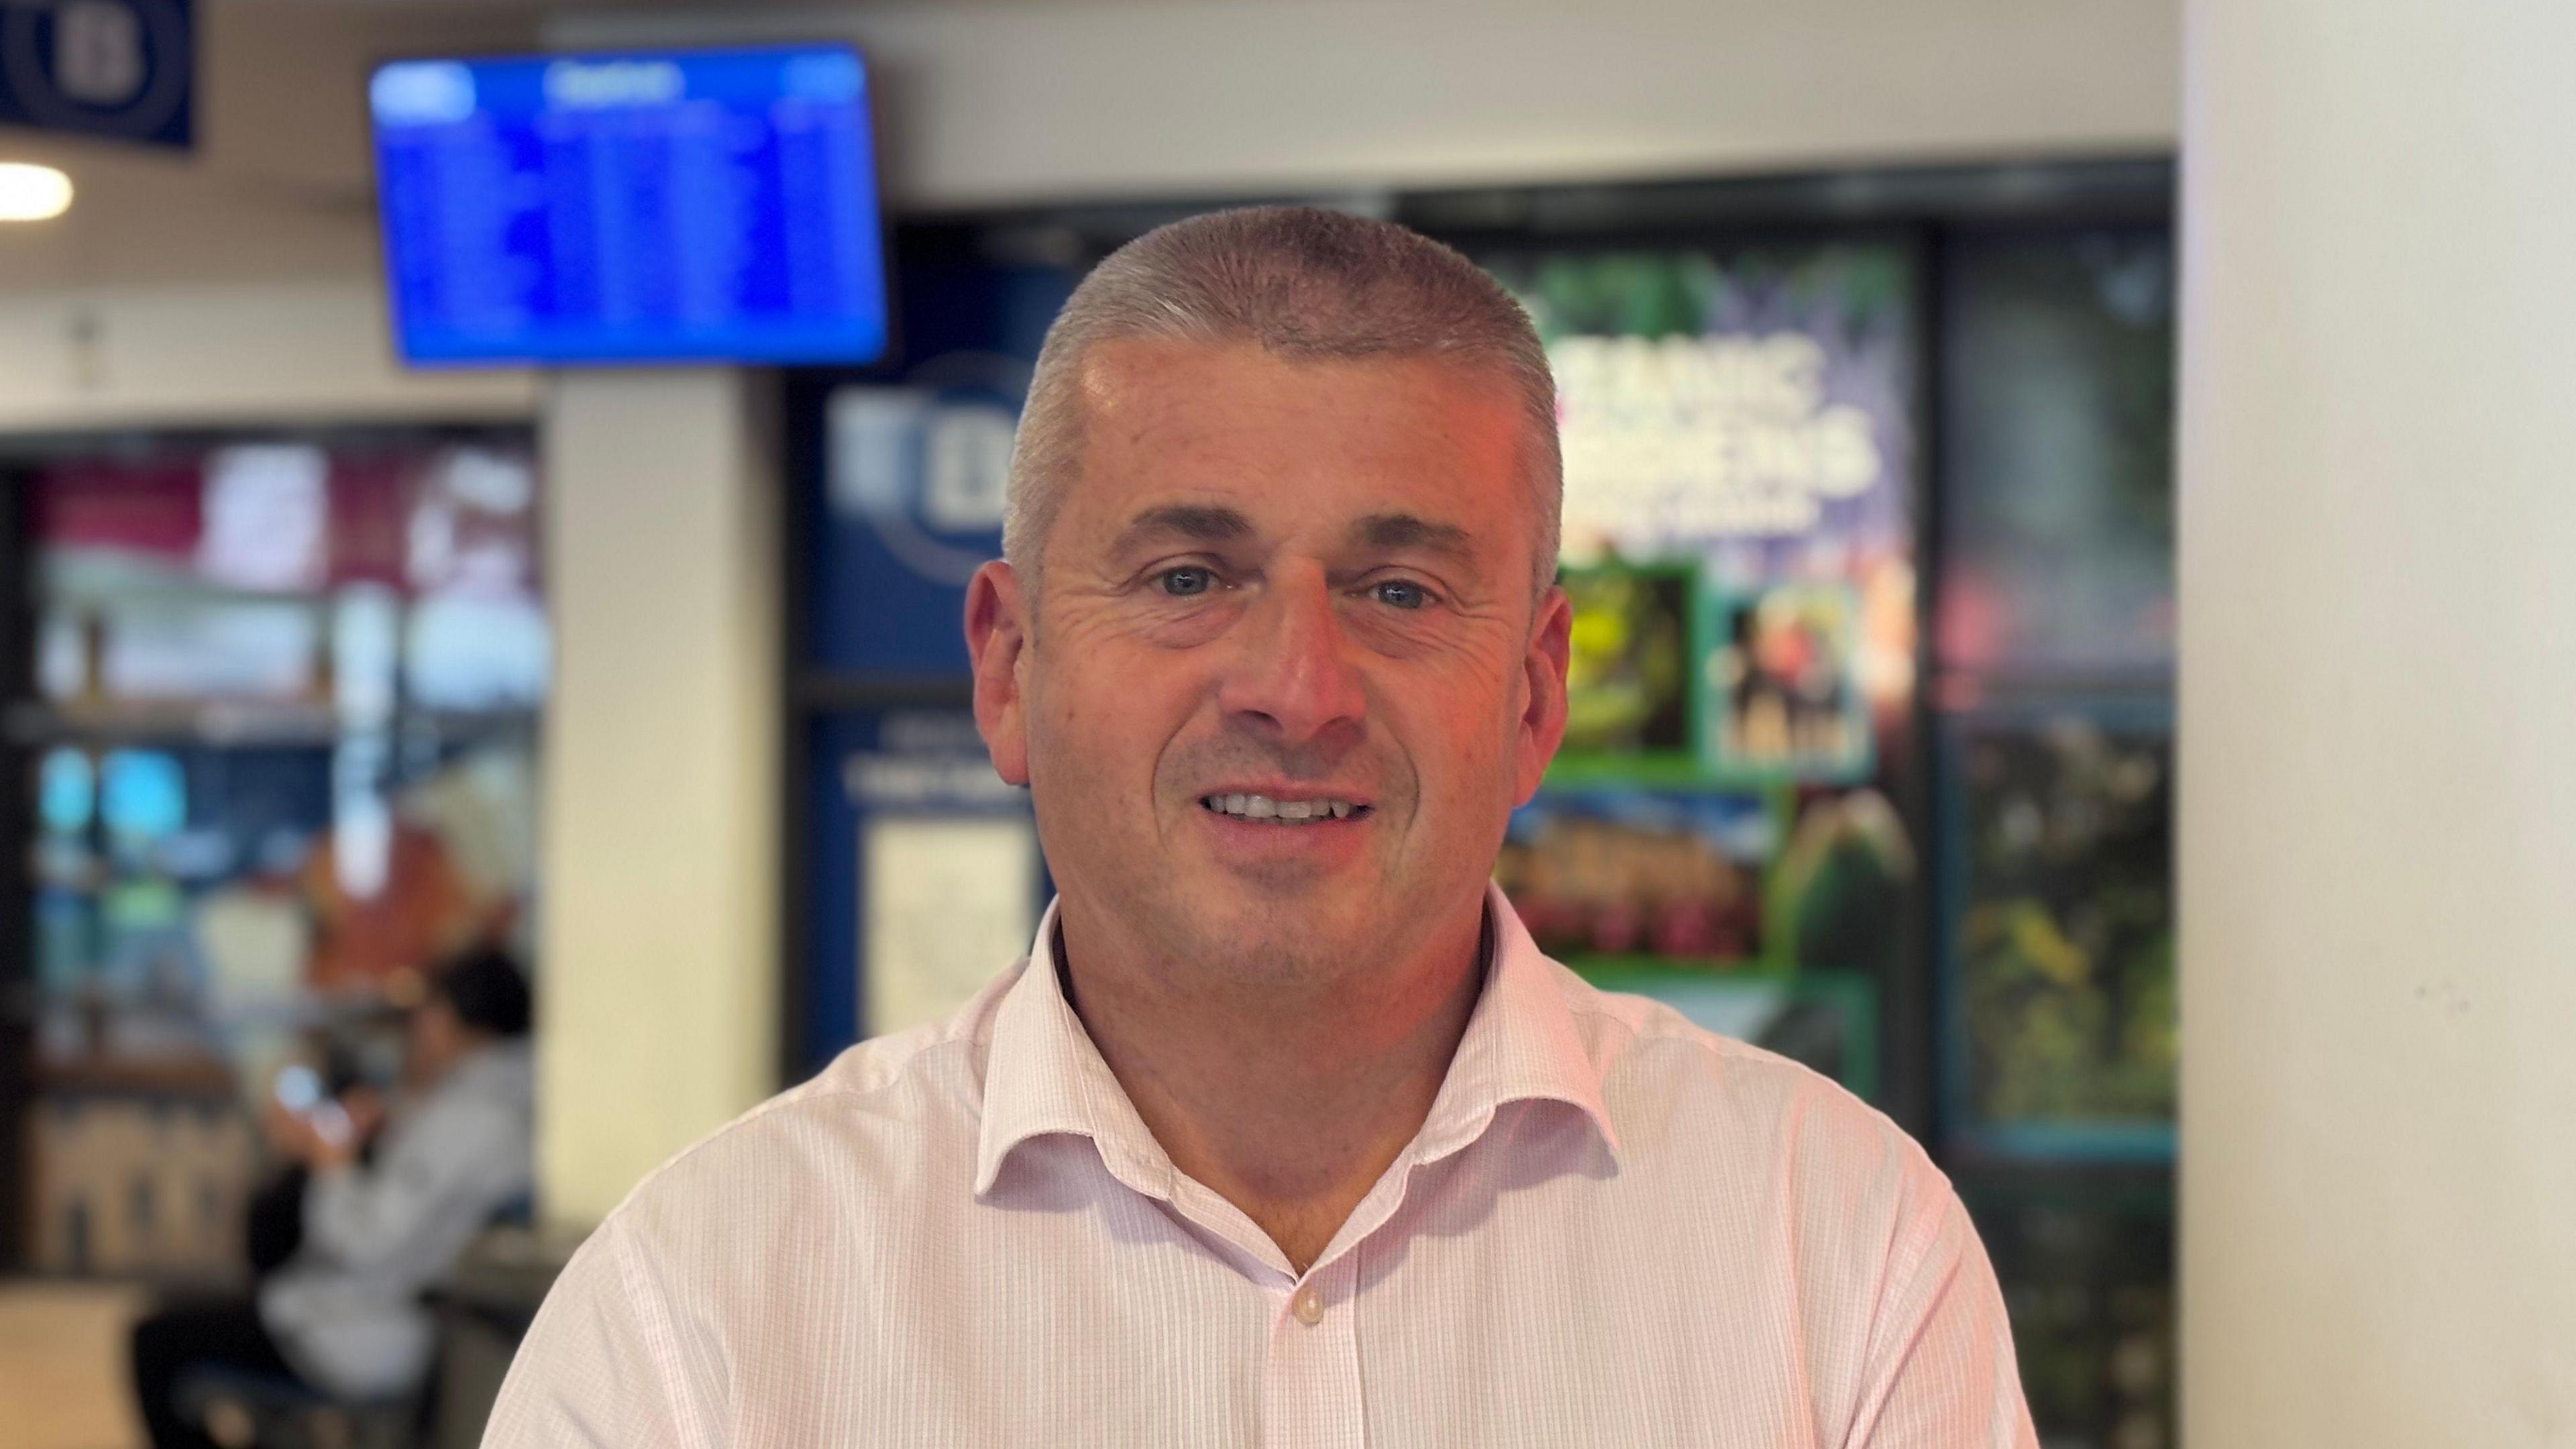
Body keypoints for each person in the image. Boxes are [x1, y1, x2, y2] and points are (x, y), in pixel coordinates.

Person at [486, 208, 2037, 1446]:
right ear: (1009, 669)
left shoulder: (1836, 1245)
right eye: (1185, 577)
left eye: (1398, 591)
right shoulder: (699, 1312)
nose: (1295, 690)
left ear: (1535, 697)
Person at [131, 947, 535, 1448]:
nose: (417, 1030)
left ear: (458, 1022)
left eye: (428, 1012)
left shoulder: (475, 1118)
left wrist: (332, 1163)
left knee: (153, 1342)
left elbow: (366, 1240)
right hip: (367, 1310)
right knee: (185, 1312)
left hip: (362, 1329)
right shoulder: (482, 1102)